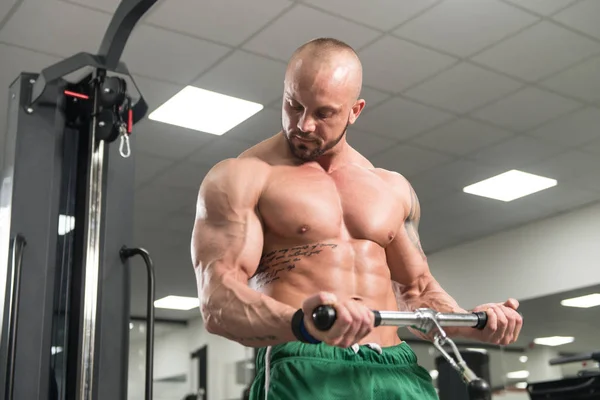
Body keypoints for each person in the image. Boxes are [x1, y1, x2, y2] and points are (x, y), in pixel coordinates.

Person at [191, 38, 523, 400]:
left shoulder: (391, 187)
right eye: (293, 104)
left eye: (323, 113)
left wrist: (468, 322)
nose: (303, 124)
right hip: (308, 363)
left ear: (355, 110)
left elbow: (418, 290)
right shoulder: (243, 177)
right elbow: (217, 299)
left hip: (396, 367)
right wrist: (304, 324)